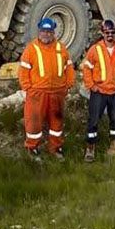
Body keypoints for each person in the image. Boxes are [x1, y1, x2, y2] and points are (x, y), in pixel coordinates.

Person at [18, 17, 75, 161]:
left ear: (53, 33)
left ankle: (55, 148)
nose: (46, 34)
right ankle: (32, 148)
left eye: (49, 32)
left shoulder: (60, 49)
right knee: (34, 122)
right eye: (44, 31)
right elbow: (23, 71)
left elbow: (68, 67)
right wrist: (28, 89)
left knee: (56, 122)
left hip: (57, 93)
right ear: (39, 32)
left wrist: (68, 85)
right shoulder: (31, 49)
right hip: (37, 93)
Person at [81, 19, 115, 161]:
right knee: (94, 120)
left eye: (112, 32)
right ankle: (90, 149)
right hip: (99, 92)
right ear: (102, 33)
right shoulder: (95, 49)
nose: (110, 35)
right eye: (107, 32)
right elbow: (87, 69)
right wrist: (92, 86)